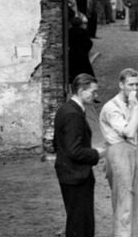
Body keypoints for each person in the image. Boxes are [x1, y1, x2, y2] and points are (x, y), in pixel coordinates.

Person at [54, 73, 105, 237]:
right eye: (93, 92)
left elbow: (59, 143)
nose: (95, 96)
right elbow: (74, 150)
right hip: (76, 176)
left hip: (71, 173)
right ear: (81, 90)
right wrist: (97, 153)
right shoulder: (73, 115)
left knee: (78, 221)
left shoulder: (67, 109)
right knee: (80, 224)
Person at [99, 68, 138, 237]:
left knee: (133, 196)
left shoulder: (128, 104)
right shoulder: (111, 107)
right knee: (123, 198)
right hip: (118, 152)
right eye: (130, 84)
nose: (135, 88)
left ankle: (129, 234)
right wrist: (136, 108)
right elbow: (129, 132)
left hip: (131, 151)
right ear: (121, 84)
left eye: (137, 84)